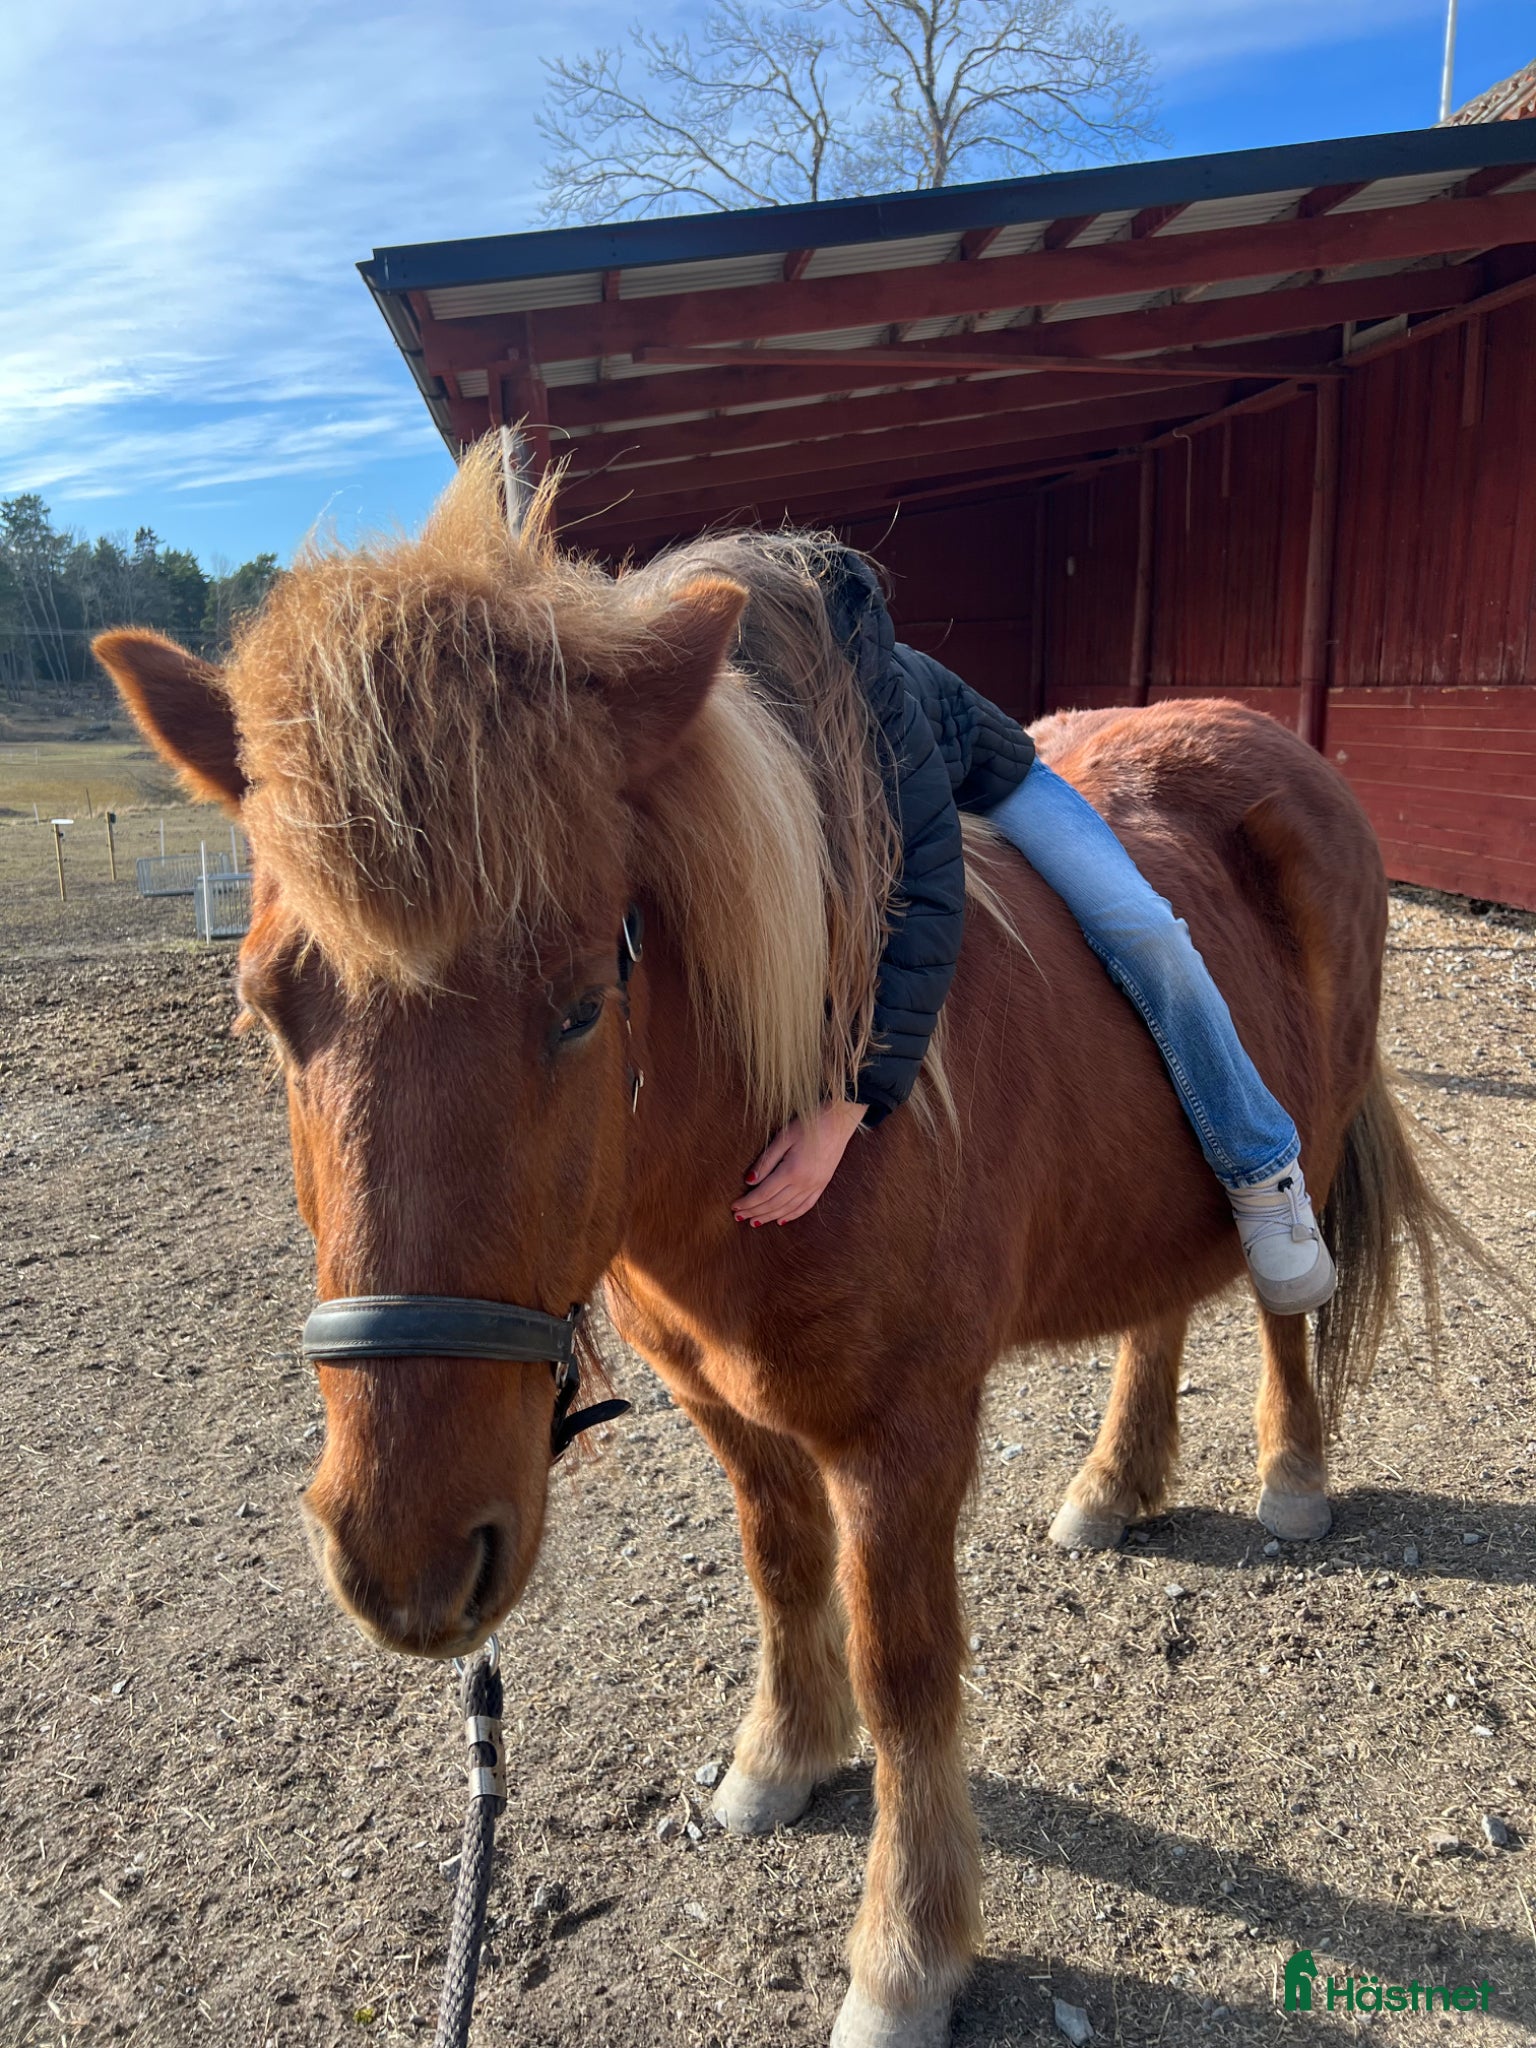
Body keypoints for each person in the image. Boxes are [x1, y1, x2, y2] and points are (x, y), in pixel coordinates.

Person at [730, 549, 1337, 1318]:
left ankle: (1264, 1169)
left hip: (1002, 788)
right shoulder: (734, 703)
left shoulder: (873, 703)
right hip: (867, 800)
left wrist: (850, 1104)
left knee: (1146, 930)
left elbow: (925, 897)